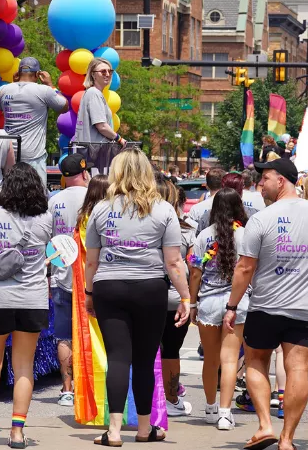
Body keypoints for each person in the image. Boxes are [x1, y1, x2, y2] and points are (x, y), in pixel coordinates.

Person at [223, 158, 308, 450]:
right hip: (306, 309)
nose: (259, 184)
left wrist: (231, 305)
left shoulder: (262, 219)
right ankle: (287, 439)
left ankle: (265, 424)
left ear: (281, 180)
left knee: (255, 361)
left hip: (266, 307)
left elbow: (244, 268)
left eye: (264, 178)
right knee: (298, 370)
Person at [84, 149, 191, 445]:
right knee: (145, 359)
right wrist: (185, 298)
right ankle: (144, 428)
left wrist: (89, 293)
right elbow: (173, 262)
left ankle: (114, 431)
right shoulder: (163, 209)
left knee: (118, 358)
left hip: (109, 285)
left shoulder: (102, 209)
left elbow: (91, 261)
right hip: (150, 288)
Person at [0, 163, 52, 448]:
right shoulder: (45, 218)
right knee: (24, 365)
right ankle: (17, 432)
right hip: (33, 299)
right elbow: (55, 254)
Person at [190, 188, 248, 430]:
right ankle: (226, 413)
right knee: (230, 359)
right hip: (237, 303)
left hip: (208, 303)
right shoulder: (245, 235)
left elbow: (195, 272)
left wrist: (192, 303)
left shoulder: (203, 235)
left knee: (210, 360)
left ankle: (211, 407)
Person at [47, 153, 91, 407]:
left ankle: (66, 389)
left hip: (61, 275)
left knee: (63, 335)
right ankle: (88, 384)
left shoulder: (54, 201)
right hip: (90, 279)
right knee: (92, 333)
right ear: (84, 172)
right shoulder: (96, 197)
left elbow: (48, 241)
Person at [0, 57, 68, 186]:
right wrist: (50, 85)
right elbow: (64, 106)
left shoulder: (4, 90)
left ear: (18, 73)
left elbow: (0, 106)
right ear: (37, 74)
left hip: (9, 153)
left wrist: (14, 83)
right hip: (32, 154)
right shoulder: (44, 90)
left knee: (10, 195)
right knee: (36, 197)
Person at [157, 179, 195, 418]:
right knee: (172, 350)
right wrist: (189, 298)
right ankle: (171, 399)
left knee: (147, 349)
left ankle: (151, 396)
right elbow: (191, 267)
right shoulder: (187, 232)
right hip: (176, 298)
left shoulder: (144, 226)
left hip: (149, 296)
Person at [73, 58, 126, 174]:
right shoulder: (94, 94)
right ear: (93, 75)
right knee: (98, 189)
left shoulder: (93, 93)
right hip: (95, 156)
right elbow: (101, 126)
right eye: (103, 72)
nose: (107, 74)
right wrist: (119, 139)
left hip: (94, 154)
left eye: (110, 71)